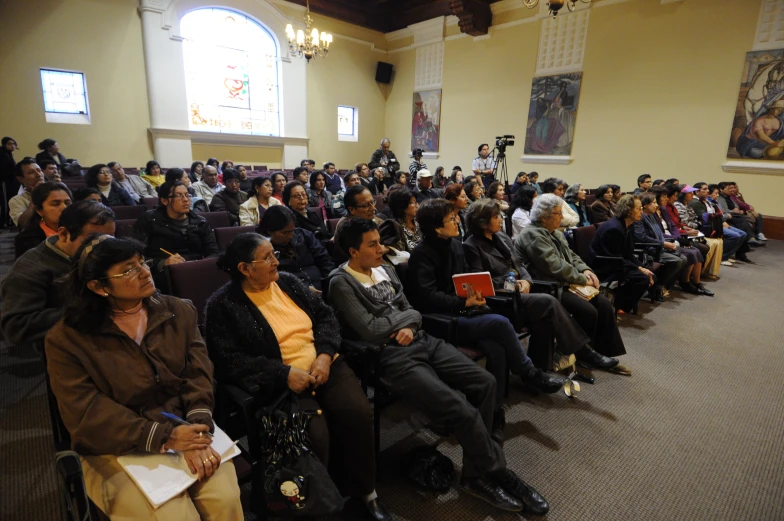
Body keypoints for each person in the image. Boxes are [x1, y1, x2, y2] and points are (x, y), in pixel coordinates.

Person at [329, 218, 550, 515]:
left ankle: (475, 475)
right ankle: (499, 473)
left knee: (485, 383)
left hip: (423, 340)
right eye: (373, 244)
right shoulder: (341, 282)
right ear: (353, 251)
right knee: (460, 408)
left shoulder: (387, 269)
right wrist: (406, 320)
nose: (382, 248)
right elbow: (370, 328)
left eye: (380, 241)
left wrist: (408, 322)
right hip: (390, 356)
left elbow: (412, 310)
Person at [46, 235, 242, 520]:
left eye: (142, 262)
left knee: (224, 501)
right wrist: (165, 436)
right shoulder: (68, 339)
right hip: (116, 443)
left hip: (185, 425)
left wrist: (198, 428)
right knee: (175, 517)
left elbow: (198, 373)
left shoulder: (178, 311)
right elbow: (86, 411)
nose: (144, 272)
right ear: (98, 286)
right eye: (129, 269)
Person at [205, 233, 390, 521]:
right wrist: (283, 373)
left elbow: (327, 318)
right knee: (314, 435)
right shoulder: (223, 305)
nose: (276, 260)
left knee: (357, 412)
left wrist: (326, 355)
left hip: (324, 365)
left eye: (273, 253)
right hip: (282, 384)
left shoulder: (288, 283)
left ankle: (366, 492)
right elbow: (229, 359)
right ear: (244, 268)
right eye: (266, 258)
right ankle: (321, 506)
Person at [408, 199, 568, 439]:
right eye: (451, 219)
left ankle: (494, 412)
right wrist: (463, 302)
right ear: (437, 228)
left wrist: (474, 295)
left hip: (464, 311)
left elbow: (463, 281)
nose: (457, 221)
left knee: (496, 347)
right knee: (501, 323)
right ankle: (528, 371)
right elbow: (427, 297)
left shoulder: (454, 245)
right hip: (442, 319)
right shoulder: (421, 254)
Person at [463, 199, 611, 371]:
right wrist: (513, 283)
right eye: (496, 216)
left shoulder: (501, 237)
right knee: (548, 302)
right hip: (502, 299)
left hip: (522, 292)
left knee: (546, 318)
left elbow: (519, 265)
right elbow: (481, 281)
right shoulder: (471, 246)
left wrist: (526, 280)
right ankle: (583, 351)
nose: (501, 219)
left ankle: (539, 370)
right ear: (482, 222)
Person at [514, 194, 629, 369]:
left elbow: (572, 257)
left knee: (604, 304)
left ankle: (602, 351)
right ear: (544, 217)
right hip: (548, 287)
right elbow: (555, 267)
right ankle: (576, 351)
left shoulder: (554, 232)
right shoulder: (532, 235)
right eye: (558, 213)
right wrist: (583, 279)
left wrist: (586, 270)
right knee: (589, 311)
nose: (562, 217)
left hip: (565, 282)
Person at [1, 201, 116, 349]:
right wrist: (89, 310)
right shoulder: (31, 269)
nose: (103, 247)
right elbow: (16, 327)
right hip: (69, 347)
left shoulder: (99, 253)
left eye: (109, 238)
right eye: (92, 240)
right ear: (63, 234)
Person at [133, 180, 219, 291]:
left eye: (187, 195)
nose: (186, 200)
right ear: (164, 200)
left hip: (195, 272)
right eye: (179, 196)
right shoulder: (149, 220)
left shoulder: (199, 222)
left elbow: (213, 252)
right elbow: (136, 255)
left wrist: (199, 265)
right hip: (162, 275)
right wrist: (162, 263)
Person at [588, 195, 655, 313]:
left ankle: (615, 297)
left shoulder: (629, 225)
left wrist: (642, 267)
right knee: (642, 279)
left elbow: (627, 253)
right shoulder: (614, 228)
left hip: (617, 260)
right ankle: (618, 304)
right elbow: (616, 257)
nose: (641, 212)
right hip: (604, 263)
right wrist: (639, 269)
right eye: (639, 209)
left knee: (650, 273)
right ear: (628, 210)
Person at [258, 206, 335, 292]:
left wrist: (328, 282)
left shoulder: (304, 235)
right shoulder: (262, 249)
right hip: (292, 291)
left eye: (292, 231)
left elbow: (325, 260)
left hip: (322, 283)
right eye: (285, 233)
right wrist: (303, 289)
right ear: (270, 231)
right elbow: (274, 279)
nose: (290, 236)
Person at [651, 189, 711, 296]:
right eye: (663, 197)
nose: (666, 199)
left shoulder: (663, 209)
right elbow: (658, 233)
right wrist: (676, 239)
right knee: (691, 253)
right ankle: (685, 282)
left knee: (696, 251)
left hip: (674, 238)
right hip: (666, 241)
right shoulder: (652, 214)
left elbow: (673, 226)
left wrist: (678, 238)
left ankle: (697, 282)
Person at [633, 192, 689, 298]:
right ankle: (657, 287)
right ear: (645, 205)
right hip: (648, 249)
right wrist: (663, 243)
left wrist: (668, 242)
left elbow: (659, 233)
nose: (656, 205)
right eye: (653, 203)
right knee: (677, 261)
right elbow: (642, 238)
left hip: (658, 247)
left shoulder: (652, 215)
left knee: (684, 258)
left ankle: (664, 285)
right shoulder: (639, 219)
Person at [689, 183, 751, 264]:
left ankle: (726, 255)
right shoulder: (696, 202)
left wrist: (722, 221)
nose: (707, 191)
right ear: (697, 192)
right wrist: (721, 221)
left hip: (717, 223)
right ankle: (722, 257)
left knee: (742, 234)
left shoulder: (706, 200)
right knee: (735, 236)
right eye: (704, 189)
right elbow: (706, 217)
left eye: (707, 189)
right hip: (709, 226)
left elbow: (716, 213)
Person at [674, 185, 723, 279]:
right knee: (702, 247)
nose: (692, 195)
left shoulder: (687, 205)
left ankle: (699, 273)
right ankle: (692, 276)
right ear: (682, 195)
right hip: (685, 233)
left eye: (692, 192)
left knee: (711, 244)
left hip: (691, 230)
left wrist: (696, 224)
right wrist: (696, 225)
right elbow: (685, 222)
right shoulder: (678, 205)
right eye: (689, 193)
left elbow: (695, 219)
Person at [14, 182, 73, 258]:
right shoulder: (26, 239)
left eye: (68, 203)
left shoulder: (82, 231)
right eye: (56, 204)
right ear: (39, 210)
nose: (64, 208)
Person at [332, 185, 387, 263]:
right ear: (352, 210)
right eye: (366, 205)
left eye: (372, 202)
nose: (373, 208)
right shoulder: (348, 227)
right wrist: (387, 248)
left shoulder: (367, 219)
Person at [716, 182, 763, 247]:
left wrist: (736, 209)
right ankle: (750, 239)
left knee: (748, 218)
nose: (730, 190)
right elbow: (724, 211)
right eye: (728, 188)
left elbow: (737, 205)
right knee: (741, 220)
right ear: (721, 189)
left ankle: (752, 238)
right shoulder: (720, 198)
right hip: (729, 216)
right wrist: (733, 211)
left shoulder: (729, 197)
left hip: (735, 214)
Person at [379, 187, 422, 253]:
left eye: (416, 201)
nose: (417, 205)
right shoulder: (394, 229)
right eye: (412, 202)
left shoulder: (420, 221)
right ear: (403, 207)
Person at [9, 157, 45, 227]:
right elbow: (23, 224)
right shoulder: (17, 200)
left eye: (39, 170)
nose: (39, 175)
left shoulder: (56, 192)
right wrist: (35, 196)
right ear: (21, 179)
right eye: (31, 172)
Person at [1, 137, 19, 228]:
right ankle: (4, 222)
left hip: (10, 182)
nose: (12, 146)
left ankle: (8, 221)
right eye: (9, 144)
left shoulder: (8, 154)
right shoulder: (3, 154)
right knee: (4, 201)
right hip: (4, 181)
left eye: (13, 144)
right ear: (4, 145)